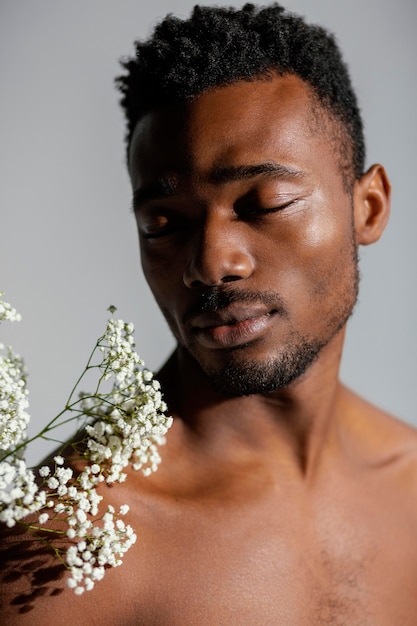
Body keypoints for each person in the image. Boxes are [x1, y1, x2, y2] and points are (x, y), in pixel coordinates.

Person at [2, 3, 417, 624]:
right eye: (163, 224)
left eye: (265, 203)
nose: (211, 263)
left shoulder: (409, 483)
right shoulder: (63, 553)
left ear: (370, 207)